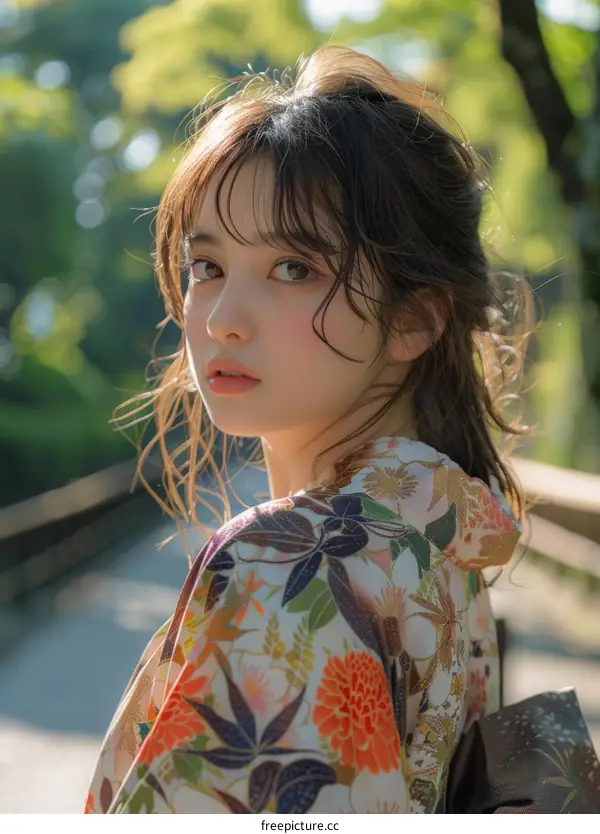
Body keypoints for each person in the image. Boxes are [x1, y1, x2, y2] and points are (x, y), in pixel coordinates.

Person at [85, 45, 531, 814]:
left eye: (295, 268)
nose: (222, 321)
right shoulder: (443, 544)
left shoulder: (283, 568)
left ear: (415, 317)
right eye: (207, 267)